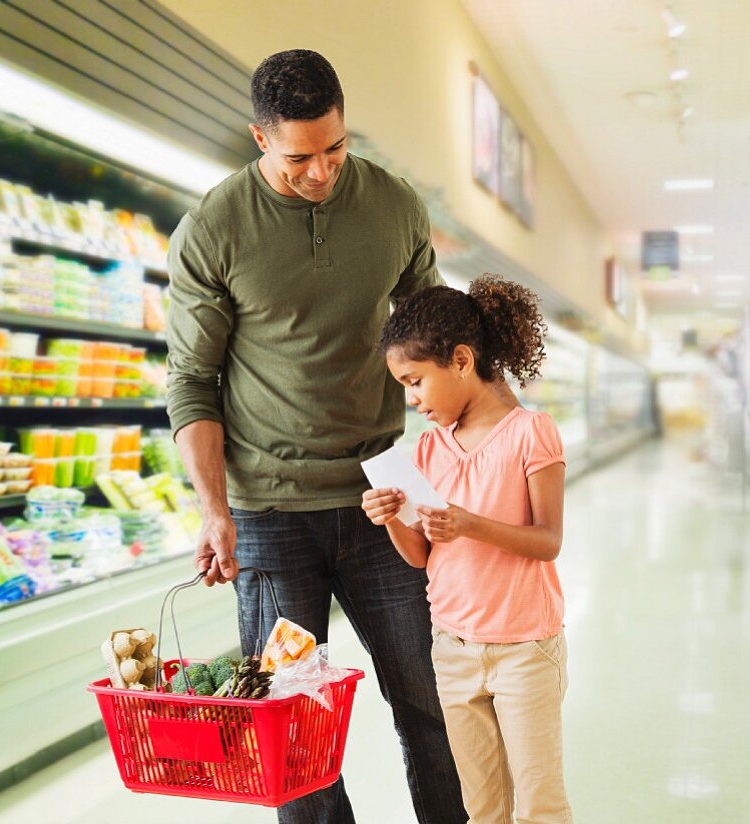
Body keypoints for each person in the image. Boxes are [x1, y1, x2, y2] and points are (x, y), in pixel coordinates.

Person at [166, 49, 466, 823]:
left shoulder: (394, 205)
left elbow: (432, 340)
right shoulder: (214, 228)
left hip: (385, 499)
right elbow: (193, 383)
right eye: (301, 156)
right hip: (269, 512)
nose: (324, 171)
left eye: (337, 148)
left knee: (432, 703)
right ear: (259, 138)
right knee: (293, 731)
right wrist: (214, 509)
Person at [363, 275, 572, 823]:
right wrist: (392, 519)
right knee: (480, 807)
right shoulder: (429, 448)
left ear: (459, 360)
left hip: (524, 649)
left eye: (415, 381)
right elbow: (419, 556)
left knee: (539, 804)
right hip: (452, 647)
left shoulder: (531, 432)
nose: (411, 400)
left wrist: (470, 524)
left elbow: (548, 542)